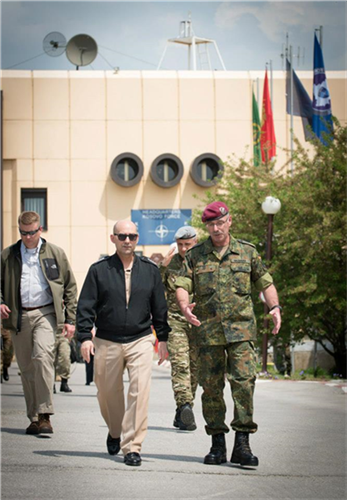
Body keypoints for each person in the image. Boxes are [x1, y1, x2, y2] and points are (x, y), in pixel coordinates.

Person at [175, 201, 282, 467]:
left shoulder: (247, 252)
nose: (216, 228)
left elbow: (265, 282)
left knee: (244, 384)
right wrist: (184, 306)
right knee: (211, 388)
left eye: (220, 223)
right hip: (208, 332)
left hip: (241, 330)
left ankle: (243, 444)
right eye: (211, 224)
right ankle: (217, 444)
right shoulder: (195, 255)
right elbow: (182, 284)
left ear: (229, 221)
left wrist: (275, 307)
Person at [77, 219, 170, 467]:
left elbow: (159, 307)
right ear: (113, 239)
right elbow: (85, 306)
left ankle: (132, 447)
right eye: (122, 236)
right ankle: (115, 431)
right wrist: (85, 337)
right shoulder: (99, 270)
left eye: (131, 236)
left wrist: (163, 338)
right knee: (108, 394)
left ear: (137, 238)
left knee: (140, 392)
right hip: (107, 339)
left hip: (140, 339)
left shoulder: (150, 270)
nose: (127, 240)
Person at [0, 211, 77, 435]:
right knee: (26, 368)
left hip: (46, 313)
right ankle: (33, 417)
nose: (28, 238)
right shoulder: (8, 255)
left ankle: (45, 414)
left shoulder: (55, 253)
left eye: (32, 233)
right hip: (19, 316)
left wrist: (70, 319)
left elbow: (70, 286)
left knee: (42, 357)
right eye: (23, 233)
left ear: (39, 229)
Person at [160, 226, 199, 431]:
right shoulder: (171, 264)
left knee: (194, 368)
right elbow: (155, 290)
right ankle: (184, 405)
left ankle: (183, 410)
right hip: (175, 320)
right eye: (180, 245)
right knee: (180, 364)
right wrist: (162, 267)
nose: (184, 249)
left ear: (195, 242)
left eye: (188, 244)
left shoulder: (203, 261)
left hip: (199, 322)